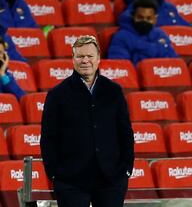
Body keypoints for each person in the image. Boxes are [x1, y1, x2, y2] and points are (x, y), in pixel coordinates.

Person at [41, 35, 134, 207]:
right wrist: (54, 174)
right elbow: (48, 138)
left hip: (111, 179)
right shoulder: (57, 94)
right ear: (73, 59)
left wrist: (126, 169)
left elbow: (125, 133)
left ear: (98, 58)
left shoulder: (113, 91)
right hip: (70, 181)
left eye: (89, 56)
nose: (85, 61)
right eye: (80, 56)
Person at [108, 0, 179, 65]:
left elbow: (174, 62)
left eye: (149, 18)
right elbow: (121, 68)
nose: (144, 21)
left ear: (155, 19)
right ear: (133, 17)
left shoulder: (160, 35)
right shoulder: (121, 37)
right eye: (140, 18)